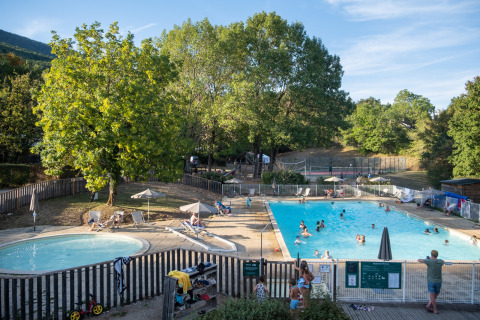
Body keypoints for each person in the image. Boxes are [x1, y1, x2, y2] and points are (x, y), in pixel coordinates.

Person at [418, 250, 444, 314]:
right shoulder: (440, 261)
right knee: (435, 295)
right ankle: (429, 305)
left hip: (431, 281)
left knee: (432, 296)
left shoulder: (429, 261)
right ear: (437, 255)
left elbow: (419, 260)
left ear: (431, 255)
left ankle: (434, 309)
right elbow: (443, 262)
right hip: (438, 281)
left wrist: (428, 258)